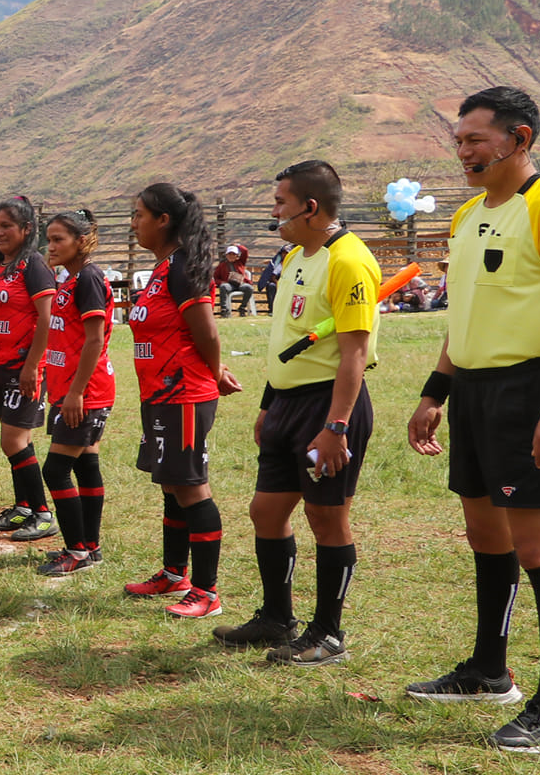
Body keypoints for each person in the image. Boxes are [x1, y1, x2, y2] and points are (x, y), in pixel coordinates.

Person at [406, 86, 540, 748]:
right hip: (475, 392)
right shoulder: (465, 216)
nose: (464, 151)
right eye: (459, 140)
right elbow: (461, 316)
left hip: (529, 387)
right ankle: (490, 669)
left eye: (476, 140)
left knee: (537, 546)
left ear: (519, 140)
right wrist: (436, 392)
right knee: (484, 533)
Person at [211, 160, 380, 663]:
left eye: (280, 202)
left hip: (325, 408)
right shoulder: (295, 257)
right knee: (266, 511)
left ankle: (328, 634)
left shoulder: (349, 260)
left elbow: (353, 352)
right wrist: (268, 404)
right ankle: (276, 619)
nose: (274, 211)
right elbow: (288, 341)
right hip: (286, 404)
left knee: (326, 516)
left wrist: (336, 426)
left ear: (310, 207)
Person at [122, 184, 242, 618]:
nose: (133, 222)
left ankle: (207, 592)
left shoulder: (181, 267)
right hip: (158, 394)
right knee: (172, 484)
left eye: (139, 214)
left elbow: (205, 330)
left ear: (163, 220)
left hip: (184, 394)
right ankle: (175, 574)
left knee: (191, 487)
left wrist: (214, 372)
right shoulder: (162, 268)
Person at [34, 209, 117, 577]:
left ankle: (77, 550)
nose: (50, 246)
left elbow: (95, 339)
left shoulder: (89, 279)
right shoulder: (71, 279)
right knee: (85, 464)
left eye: (58, 240)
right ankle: (90, 546)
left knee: (55, 469)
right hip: (71, 389)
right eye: (48, 239)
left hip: (86, 391)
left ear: (81, 242)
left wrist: (76, 393)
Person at [0, 196, 59, 543]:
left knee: (12, 441)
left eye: (6, 226)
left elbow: (47, 318)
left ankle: (42, 513)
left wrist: (31, 366)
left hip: (22, 368)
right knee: (15, 440)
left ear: (27, 229)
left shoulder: (34, 266)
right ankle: (24, 506)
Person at [213, 244, 257, 317]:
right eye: (229, 254)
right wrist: (221, 282)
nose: (231, 256)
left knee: (249, 288)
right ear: (226, 256)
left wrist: (237, 245)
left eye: (234, 254)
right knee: (224, 287)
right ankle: (224, 310)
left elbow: (245, 251)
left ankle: (242, 307)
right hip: (229, 284)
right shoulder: (222, 265)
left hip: (241, 284)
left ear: (237, 256)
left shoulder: (241, 262)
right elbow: (215, 278)